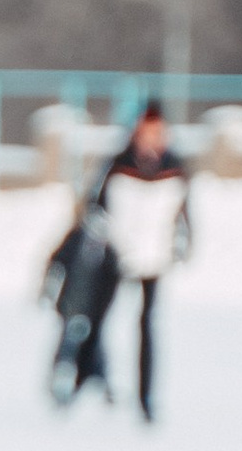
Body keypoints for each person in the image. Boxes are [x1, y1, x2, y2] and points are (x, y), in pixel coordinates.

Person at [72, 101, 192, 420]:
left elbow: (184, 214)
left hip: (153, 257)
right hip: (117, 253)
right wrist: (107, 236)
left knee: (147, 325)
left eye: (157, 131)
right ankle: (81, 382)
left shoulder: (175, 167)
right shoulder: (117, 163)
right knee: (97, 319)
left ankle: (146, 398)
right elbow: (93, 207)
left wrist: (181, 244)